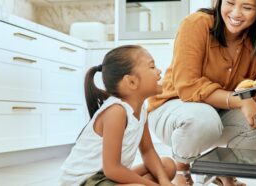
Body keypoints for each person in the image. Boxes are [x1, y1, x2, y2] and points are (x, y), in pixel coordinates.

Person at [147, 0, 256, 186]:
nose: (236, 13)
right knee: (203, 119)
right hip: (174, 109)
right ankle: (182, 171)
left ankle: (225, 174)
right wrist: (240, 100)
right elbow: (188, 87)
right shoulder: (197, 25)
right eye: (229, 2)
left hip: (221, 113)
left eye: (247, 7)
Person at [59, 45, 176, 186]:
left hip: (107, 177)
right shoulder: (116, 111)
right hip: (86, 181)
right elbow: (112, 170)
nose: (159, 71)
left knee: (167, 166)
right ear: (131, 82)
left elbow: (148, 150)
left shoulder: (140, 109)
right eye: (152, 67)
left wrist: (163, 181)